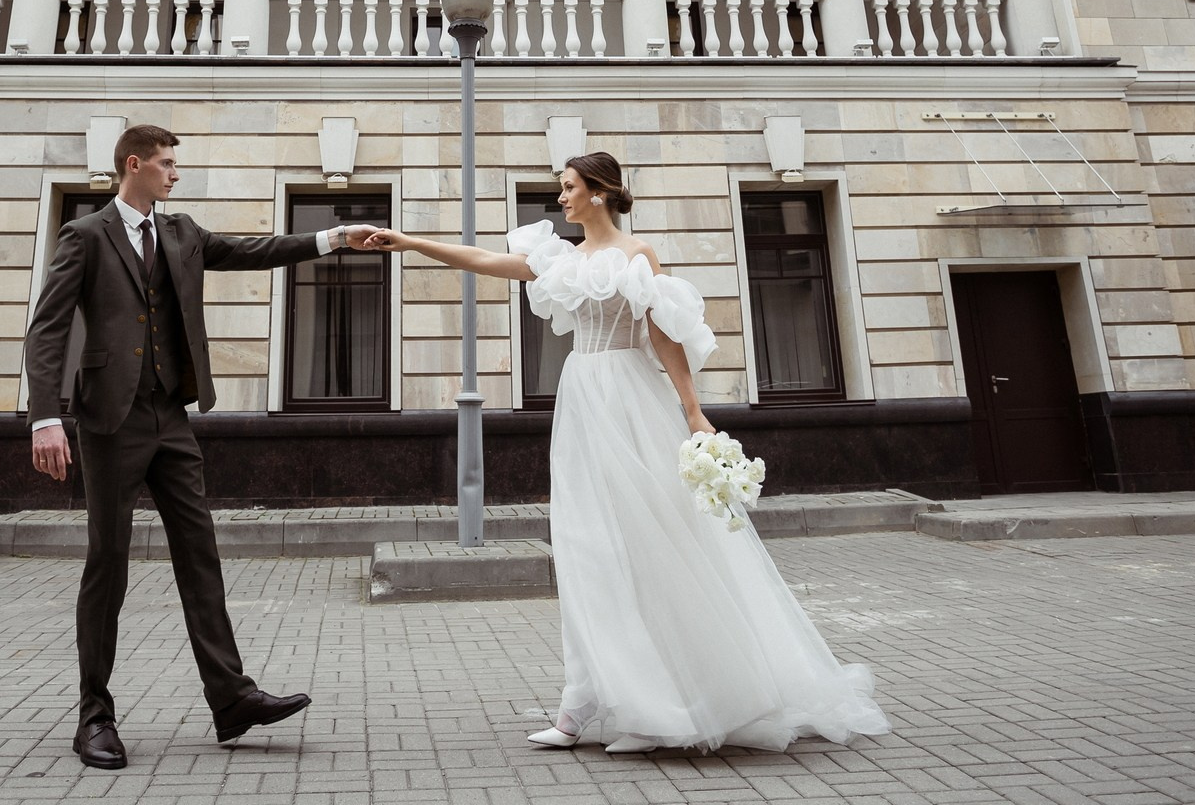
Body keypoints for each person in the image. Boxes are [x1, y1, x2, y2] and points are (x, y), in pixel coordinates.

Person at [369, 152, 890, 755]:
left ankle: (655, 707)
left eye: (568, 188)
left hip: (630, 399)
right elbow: (486, 261)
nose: (560, 198)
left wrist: (693, 411)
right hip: (582, 397)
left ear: (599, 192)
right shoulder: (561, 259)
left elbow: (663, 337)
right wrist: (407, 241)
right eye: (560, 189)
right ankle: (582, 703)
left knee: (647, 542)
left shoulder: (637, 257)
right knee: (586, 546)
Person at [26, 123, 387, 771]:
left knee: (201, 554)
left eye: (174, 165)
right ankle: (94, 716)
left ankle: (231, 697)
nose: (174, 173)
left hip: (171, 416)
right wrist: (43, 418)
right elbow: (46, 329)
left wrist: (332, 238)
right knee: (107, 564)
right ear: (132, 165)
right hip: (109, 421)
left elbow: (254, 249)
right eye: (165, 163)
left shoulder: (183, 234)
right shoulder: (84, 237)